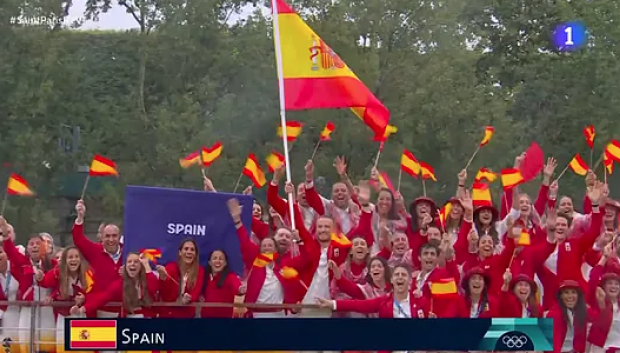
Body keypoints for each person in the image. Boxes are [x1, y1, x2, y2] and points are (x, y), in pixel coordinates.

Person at [73, 200, 123, 318]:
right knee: (98, 337)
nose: (111, 239)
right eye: (107, 236)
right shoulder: (95, 250)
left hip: (123, 311)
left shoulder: (127, 253)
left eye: (114, 236)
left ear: (119, 236)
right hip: (98, 311)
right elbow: (78, 239)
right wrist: (80, 217)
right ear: (102, 237)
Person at [36, 246, 88, 353]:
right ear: (65, 260)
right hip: (63, 317)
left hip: (80, 315)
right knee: (63, 347)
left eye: (76, 257)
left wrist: (84, 297)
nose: (73, 259)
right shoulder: (57, 272)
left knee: (81, 348)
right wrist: (40, 278)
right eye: (70, 257)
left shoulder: (87, 273)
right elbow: (45, 282)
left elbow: (94, 292)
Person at [156, 239, 204, 318]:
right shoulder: (171, 267)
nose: (189, 252)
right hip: (168, 315)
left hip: (187, 316)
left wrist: (189, 298)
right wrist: (162, 278)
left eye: (192, 249)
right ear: (180, 252)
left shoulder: (200, 270)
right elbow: (164, 294)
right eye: (186, 249)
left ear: (195, 254)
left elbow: (196, 292)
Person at [201, 249, 245, 318]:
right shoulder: (204, 276)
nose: (217, 261)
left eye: (221, 259)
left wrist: (241, 289)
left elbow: (237, 286)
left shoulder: (230, 276)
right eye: (214, 258)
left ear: (225, 263)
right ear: (209, 262)